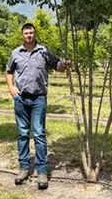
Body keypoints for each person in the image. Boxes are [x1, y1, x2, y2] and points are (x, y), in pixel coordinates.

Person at [5, 22, 69, 190]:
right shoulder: (16, 53)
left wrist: (65, 65)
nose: (29, 35)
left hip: (39, 98)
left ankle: (42, 172)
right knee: (23, 134)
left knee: (39, 134)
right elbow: (9, 71)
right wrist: (11, 88)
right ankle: (24, 169)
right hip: (21, 99)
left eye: (31, 33)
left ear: (35, 34)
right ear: (22, 35)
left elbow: (58, 66)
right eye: (26, 33)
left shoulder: (44, 51)